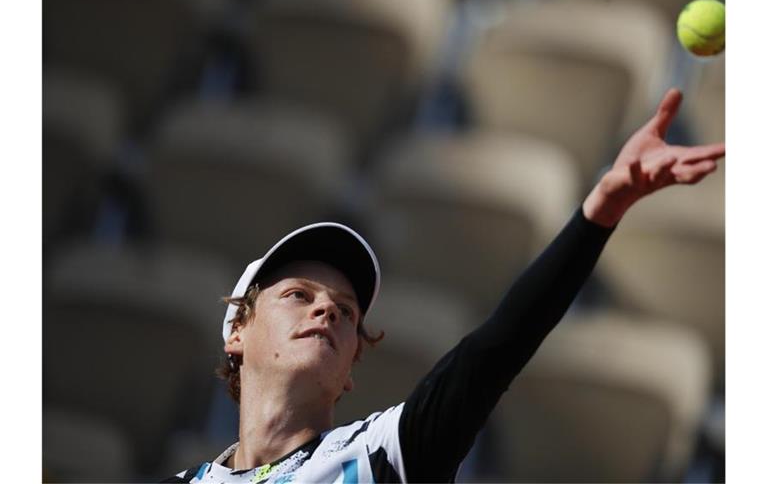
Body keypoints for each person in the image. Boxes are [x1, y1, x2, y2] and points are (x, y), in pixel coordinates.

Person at [163, 89, 725, 483]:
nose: (329, 313)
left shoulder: (383, 454)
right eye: (299, 296)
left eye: (348, 313)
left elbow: (496, 349)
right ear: (237, 330)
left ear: (350, 372)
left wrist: (600, 211)